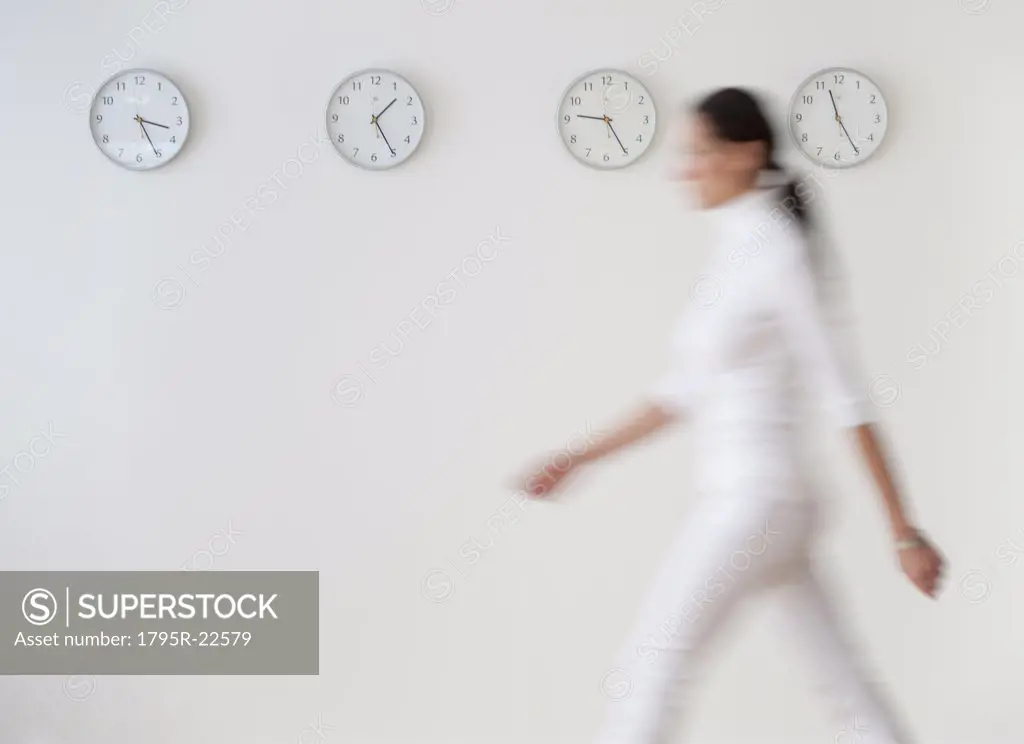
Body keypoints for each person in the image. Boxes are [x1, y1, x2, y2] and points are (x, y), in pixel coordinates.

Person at [516, 87, 945, 744]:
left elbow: (844, 396)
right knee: (842, 686)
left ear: (747, 154)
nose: (684, 169)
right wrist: (578, 457)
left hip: (756, 501)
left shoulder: (778, 253)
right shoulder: (736, 249)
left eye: (699, 153)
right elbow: (680, 394)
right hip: (772, 505)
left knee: (651, 665)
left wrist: (904, 532)